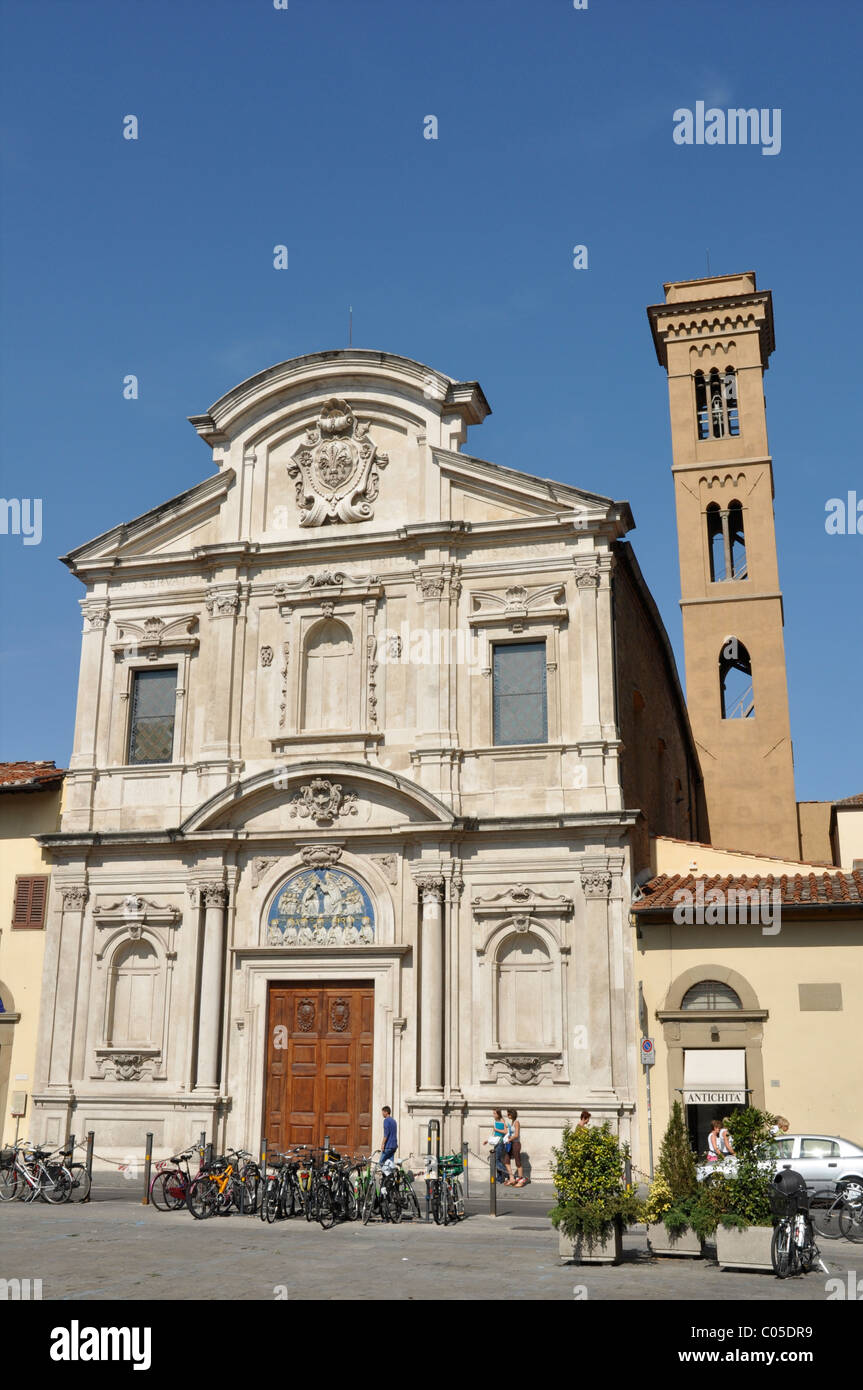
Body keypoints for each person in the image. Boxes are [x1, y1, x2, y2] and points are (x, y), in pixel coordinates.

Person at [483, 1108, 508, 1182]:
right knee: (497, 1160)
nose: (493, 1115)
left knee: (496, 1160)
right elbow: (494, 1134)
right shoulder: (495, 1121)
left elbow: (505, 1131)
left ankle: (507, 1173)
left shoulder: (502, 1120)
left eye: (494, 1113)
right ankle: (500, 1178)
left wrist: (496, 1130)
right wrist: (487, 1140)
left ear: (498, 1114)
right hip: (496, 1142)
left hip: (500, 1142)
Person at [504, 1109, 526, 1187]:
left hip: (516, 1144)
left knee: (518, 1162)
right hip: (510, 1143)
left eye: (508, 1114)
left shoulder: (516, 1122)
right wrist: (508, 1137)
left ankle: (521, 1181)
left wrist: (509, 1139)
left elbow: (516, 1135)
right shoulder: (512, 1122)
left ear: (512, 1115)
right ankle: (512, 1178)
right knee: (506, 1160)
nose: (507, 1115)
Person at [380, 1106, 398, 1173]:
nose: (382, 1114)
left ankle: (387, 1176)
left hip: (388, 1145)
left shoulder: (386, 1121)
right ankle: (390, 1179)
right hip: (394, 1145)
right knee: (390, 1163)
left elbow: (386, 1134)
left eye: (383, 1112)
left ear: (386, 1112)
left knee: (381, 1162)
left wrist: (383, 1144)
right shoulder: (393, 1121)